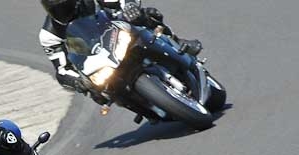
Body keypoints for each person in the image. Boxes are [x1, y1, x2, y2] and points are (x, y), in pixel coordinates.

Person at [39, 0, 203, 95]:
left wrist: (130, 6)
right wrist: (77, 82)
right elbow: (61, 69)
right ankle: (140, 103)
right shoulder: (48, 35)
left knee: (148, 15)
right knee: (101, 94)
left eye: (65, 5)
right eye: (56, 9)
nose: (63, 11)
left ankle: (176, 40)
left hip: (117, 31)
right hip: (96, 62)